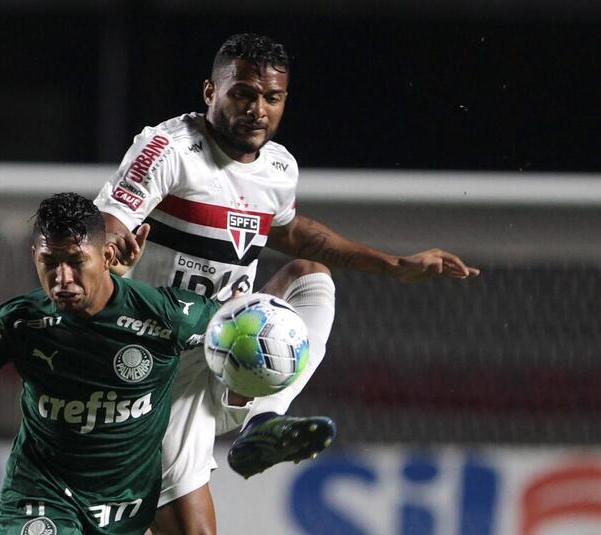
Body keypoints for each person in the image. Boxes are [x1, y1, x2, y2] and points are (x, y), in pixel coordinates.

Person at [95, 33, 480, 535]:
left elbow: (293, 232)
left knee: (309, 279)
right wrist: (110, 244)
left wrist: (393, 265)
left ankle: (263, 423)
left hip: (229, 348)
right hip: (159, 363)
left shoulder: (278, 167)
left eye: (271, 98)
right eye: (243, 94)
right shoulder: (170, 149)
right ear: (211, 92)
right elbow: (107, 220)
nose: (258, 109)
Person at [0, 193, 224, 535]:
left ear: (107, 257)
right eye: (50, 263)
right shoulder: (19, 322)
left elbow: (247, 331)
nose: (62, 279)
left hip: (124, 509)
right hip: (41, 497)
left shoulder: (165, 316)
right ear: (35, 255)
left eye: (76, 262)